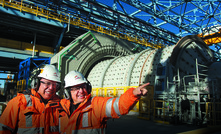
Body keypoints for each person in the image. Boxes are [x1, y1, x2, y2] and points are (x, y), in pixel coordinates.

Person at [59, 71, 149, 134]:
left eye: (83, 86)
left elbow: (119, 106)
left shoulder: (96, 104)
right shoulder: (60, 107)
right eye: (75, 88)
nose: (81, 91)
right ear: (67, 92)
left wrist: (133, 94)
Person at [0, 65, 62, 134]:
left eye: (55, 85)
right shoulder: (18, 102)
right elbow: (3, 130)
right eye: (48, 83)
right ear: (36, 83)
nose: (51, 87)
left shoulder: (62, 105)